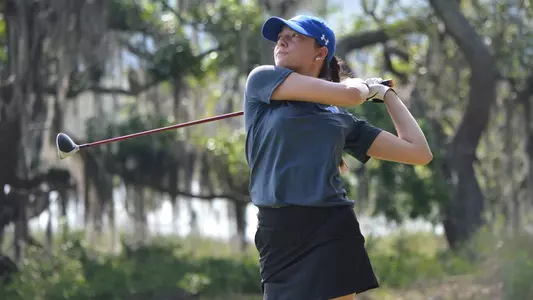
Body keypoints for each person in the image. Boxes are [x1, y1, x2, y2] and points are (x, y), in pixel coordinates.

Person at [243, 14, 432, 300]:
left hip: (330, 225)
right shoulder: (261, 80)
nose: (282, 40)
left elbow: (418, 152)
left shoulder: (340, 120)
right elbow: (351, 95)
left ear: (321, 52)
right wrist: (360, 87)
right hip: (277, 232)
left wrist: (388, 94)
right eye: (281, 36)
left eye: (296, 36)